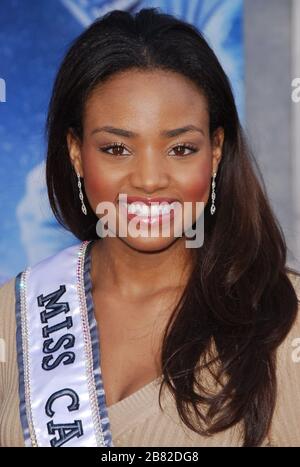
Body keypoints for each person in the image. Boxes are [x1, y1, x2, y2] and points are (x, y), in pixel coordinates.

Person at [0, 7, 300, 448]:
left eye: (180, 148)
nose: (149, 179)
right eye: (117, 148)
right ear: (76, 153)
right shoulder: (13, 317)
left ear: (215, 153)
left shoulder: (284, 323)